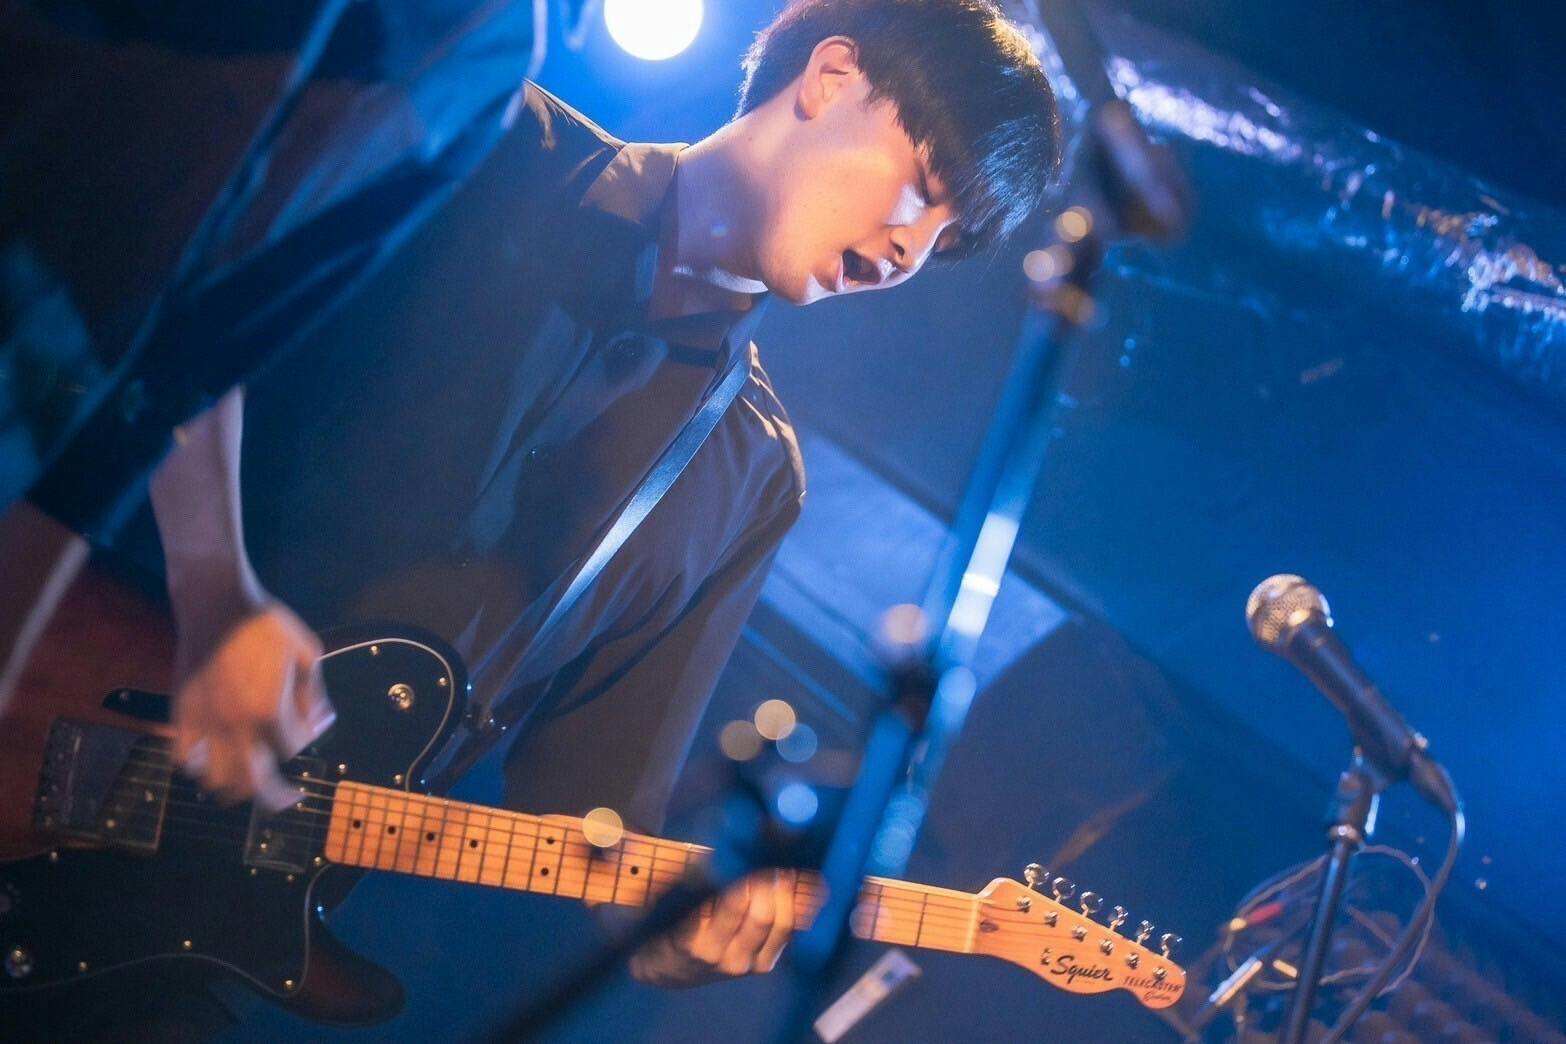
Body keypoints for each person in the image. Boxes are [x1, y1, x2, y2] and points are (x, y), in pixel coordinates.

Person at [16, 0, 1061, 1030]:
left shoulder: (750, 479)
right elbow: (179, 290)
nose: (909, 251)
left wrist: (680, 932)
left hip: (164, 937)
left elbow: (594, 807)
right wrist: (214, 591)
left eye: (946, 241)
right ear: (831, 79)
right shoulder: (493, 139)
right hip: (47, 641)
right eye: (926, 187)